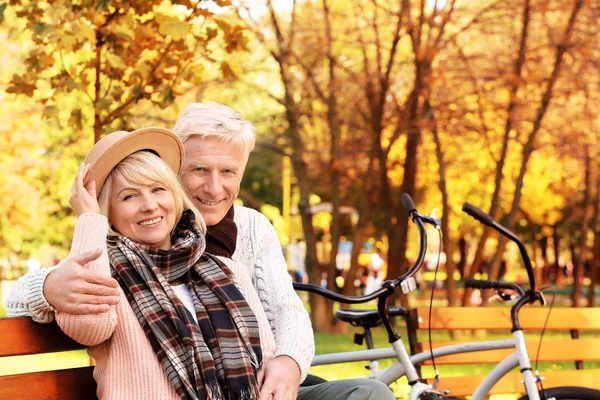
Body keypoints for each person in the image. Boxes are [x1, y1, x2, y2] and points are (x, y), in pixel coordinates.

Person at [7, 103, 394, 400]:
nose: (214, 188)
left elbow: (285, 313)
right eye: (199, 171)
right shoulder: (121, 247)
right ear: (174, 171)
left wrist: (288, 363)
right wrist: (49, 284)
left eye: (228, 172)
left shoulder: (243, 237)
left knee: (369, 393)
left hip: (252, 382)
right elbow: (62, 297)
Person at [56, 127, 276, 398]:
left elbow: (265, 362)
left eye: (158, 189)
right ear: (108, 214)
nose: (149, 205)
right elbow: (88, 328)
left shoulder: (230, 272)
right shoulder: (106, 278)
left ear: (174, 195)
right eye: (129, 196)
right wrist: (89, 219)